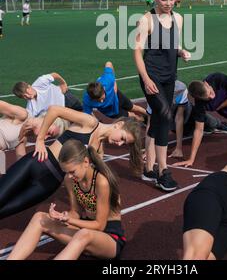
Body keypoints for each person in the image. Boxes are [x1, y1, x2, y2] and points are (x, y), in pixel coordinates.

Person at [0, 106, 142, 219]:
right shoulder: (90, 122)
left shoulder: (99, 152)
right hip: (36, 162)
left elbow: (85, 178)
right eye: (123, 138)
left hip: (49, 183)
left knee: (6, 210)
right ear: (119, 125)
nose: (119, 144)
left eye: (124, 144)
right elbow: (54, 110)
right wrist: (40, 139)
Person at [7, 139, 126, 260]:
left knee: (84, 234)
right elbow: (75, 212)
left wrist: (69, 220)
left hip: (109, 238)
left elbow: (99, 225)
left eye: (72, 171)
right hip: (85, 230)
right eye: (66, 172)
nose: (69, 176)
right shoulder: (70, 179)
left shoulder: (102, 182)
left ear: (86, 162)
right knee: (39, 218)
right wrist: (62, 217)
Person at [134, 0, 191, 191]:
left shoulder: (179, 19)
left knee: (158, 119)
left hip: (170, 77)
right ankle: (162, 171)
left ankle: (148, 168)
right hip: (152, 77)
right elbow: (137, 53)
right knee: (166, 116)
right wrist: (147, 79)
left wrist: (181, 52)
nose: (168, 3)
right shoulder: (146, 20)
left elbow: (173, 45)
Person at [143, 81, 227, 180]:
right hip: (169, 116)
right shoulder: (154, 95)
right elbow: (151, 124)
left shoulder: (181, 89)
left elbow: (179, 118)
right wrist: (149, 151)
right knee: (165, 124)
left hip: (187, 113)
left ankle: (219, 124)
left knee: (203, 119)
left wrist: (179, 148)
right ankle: (203, 128)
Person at [0, 100, 66, 171]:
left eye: (49, 137)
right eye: (49, 133)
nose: (45, 138)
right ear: (47, 120)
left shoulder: (24, 137)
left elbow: (22, 163)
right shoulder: (23, 115)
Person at [13, 72, 83, 116]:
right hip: (60, 114)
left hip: (66, 98)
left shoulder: (40, 82)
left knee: (84, 114)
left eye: (27, 92)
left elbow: (55, 75)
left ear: (29, 86)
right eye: (24, 96)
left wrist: (63, 83)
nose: (28, 96)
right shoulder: (31, 107)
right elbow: (29, 119)